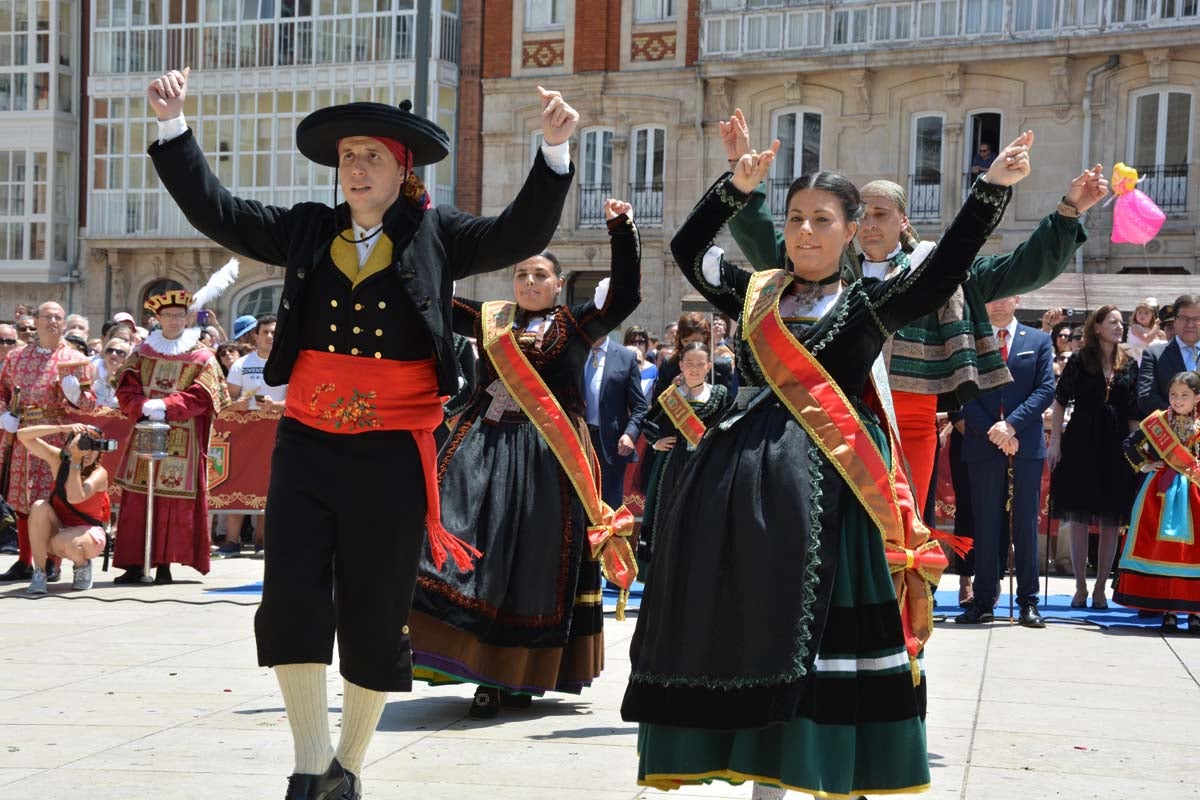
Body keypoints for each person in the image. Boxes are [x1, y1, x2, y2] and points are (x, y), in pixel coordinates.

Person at [145, 64, 577, 799]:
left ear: (402, 168)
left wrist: (553, 153)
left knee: (376, 608)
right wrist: (172, 127)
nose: (355, 167)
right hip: (307, 442)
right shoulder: (308, 228)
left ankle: (347, 764)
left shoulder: (438, 234)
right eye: (347, 156)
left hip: (392, 451)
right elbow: (218, 211)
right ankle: (311, 767)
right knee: (291, 598)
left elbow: (519, 233)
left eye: (370, 155)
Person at [623, 128, 1028, 798]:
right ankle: (762, 776)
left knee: (823, 643)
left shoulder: (871, 303)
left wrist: (991, 192)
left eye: (823, 220)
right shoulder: (752, 293)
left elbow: (948, 266)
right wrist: (736, 188)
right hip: (737, 492)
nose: (806, 231)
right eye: (794, 219)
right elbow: (686, 250)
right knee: (745, 625)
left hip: (835, 497)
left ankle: (831, 772)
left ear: (851, 233)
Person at [721, 109, 1105, 513]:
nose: (870, 224)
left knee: (904, 524)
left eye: (881, 214)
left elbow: (1024, 267)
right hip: (837, 410)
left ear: (903, 220)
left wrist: (1068, 212)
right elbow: (765, 242)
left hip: (914, 418)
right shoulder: (826, 267)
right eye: (862, 215)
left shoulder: (934, 270)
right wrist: (742, 176)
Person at [411, 200, 640, 719]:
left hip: (548, 461)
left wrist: (622, 232)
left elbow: (625, 294)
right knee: (463, 544)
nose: (529, 282)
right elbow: (428, 298)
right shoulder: (492, 320)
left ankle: (517, 676)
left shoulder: (577, 325)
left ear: (558, 285)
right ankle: (467, 662)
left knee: (536, 565)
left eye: (539, 275)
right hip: (483, 452)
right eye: (521, 274)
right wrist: (411, 234)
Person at [110, 287, 230, 585]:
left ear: (187, 318)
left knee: (173, 499)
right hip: (145, 433)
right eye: (168, 316)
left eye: (180, 315)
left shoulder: (202, 355)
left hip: (184, 437)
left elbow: (205, 395)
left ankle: (164, 563)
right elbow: (125, 387)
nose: (175, 321)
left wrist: (167, 406)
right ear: (158, 319)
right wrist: (142, 406)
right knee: (139, 497)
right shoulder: (142, 352)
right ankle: (136, 563)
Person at [954, 296, 1055, 628]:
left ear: (1018, 299)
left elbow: (1045, 390)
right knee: (985, 524)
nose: (997, 305)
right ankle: (983, 600)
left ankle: (1028, 601)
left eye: (1005, 298)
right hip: (983, 445)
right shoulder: (970, 339)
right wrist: (994, 431)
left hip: (1024, 444)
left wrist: (1011, 425)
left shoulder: (1038, 340)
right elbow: (963, 390)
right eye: (991, 299)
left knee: (1025, 524)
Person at [1047, 305, 1140, 609]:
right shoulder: (1079, 360)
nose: (1119, 326)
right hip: (1081, 440)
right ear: (1097, 326)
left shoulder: (1130, 364)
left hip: (1116, 444)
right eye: (1112, 321)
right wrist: (1056, 442)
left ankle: (1101, 586)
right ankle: (1079, 586)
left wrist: (1137, 449)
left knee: (1112, 517)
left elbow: (1134, 413)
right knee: (1078, 514)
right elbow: (1060, 401)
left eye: (1121, 322)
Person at [0, 302, 97, 583]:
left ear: (64, 322)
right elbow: (3, 389)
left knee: (51, 498)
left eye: (58, 317)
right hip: (22, 432)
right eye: (47, 317)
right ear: (37, 321)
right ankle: (24, 560)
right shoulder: (17, 357)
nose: (52, 322)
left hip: (56, 435)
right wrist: (5, 414)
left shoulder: (75, 359)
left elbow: (90, 405)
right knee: (22, 498)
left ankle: (51, 561)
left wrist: (75, 394)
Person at [635, 341, 731, 581]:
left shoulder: (719, 396)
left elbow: (729, 429)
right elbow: (648, 424)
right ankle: (662, 574)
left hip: (705, 466)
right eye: (689, 364)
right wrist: (655, 442)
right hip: (671, 465)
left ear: (709, 366)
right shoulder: (670, 396)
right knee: (665, 516)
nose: (695, 369)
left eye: (700, 364)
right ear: (681, 365)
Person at [1115, 371, 1200, 631]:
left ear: (1197, 398)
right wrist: (1143, 465)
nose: (1178, 400)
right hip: (1158, 494)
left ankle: (1195, 612)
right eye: (1173, 394)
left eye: (1184, 395)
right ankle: (1168, 610)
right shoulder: (1158, 422)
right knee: (1160, 549)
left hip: (1195, 493)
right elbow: (1130, 444)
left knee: (1193, 553)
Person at [219, 313, 286, 558]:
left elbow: (299, 397)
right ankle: (231, 541)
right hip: (246, 432)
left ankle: (263, 540)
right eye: (265, 332)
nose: (270, 336)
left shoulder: (288, 363)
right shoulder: (242, 364)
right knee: (240, 481)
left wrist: (279, 405)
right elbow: (228, 397)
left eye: (274, 332)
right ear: (256, 336)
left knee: (271, 486)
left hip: (277, 430)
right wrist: (239, 403)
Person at [16, 423, 111, 595]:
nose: (87, 452)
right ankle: (40, 573)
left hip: (87, 534)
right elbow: (23, 435)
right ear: (71, 446)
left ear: (100, 449)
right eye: (83, 445)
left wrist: (75, 460)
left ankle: (82, 565)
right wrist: (61, 428)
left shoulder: (99, 473)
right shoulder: (59, 460)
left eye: (92, 447)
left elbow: (75, 497)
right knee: (39, 506)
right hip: (60, 528)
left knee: (66, 542)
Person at [585, 317, 649, 511]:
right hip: (578, 441)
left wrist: (630, 434)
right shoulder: (575, 353)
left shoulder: (624, 357)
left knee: (608, 507)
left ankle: (609, 542)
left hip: (612, 446)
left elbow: (639, 406)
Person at [1138, 295, 1200, 415]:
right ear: (1175, 321)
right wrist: (1181, 417)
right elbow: (1146, 398)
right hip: (1169, 429)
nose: (1190, 324)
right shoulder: (1154, 355)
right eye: (1184, 318)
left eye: (1197, 319)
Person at [90, 337, 132, 409]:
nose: (114, 354)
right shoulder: (94, 366)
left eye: (120, 352)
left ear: (126, 359)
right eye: (110, 350)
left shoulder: (129, 375)